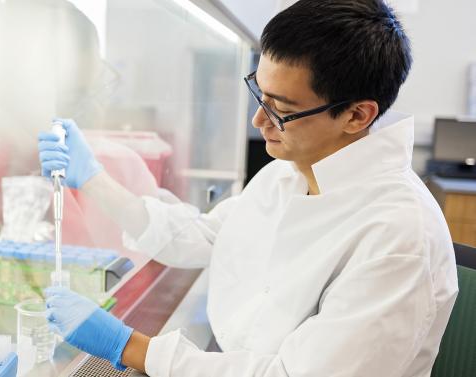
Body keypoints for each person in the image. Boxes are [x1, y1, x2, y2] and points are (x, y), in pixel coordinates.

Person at [38, 0, 458, 375]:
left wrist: (128, 346)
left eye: (282, 111)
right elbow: (203, 236)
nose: (258, 122)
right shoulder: (290, 172)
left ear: (356, 115)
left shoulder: (399, 237)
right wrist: (94, 180)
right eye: (260, 93)